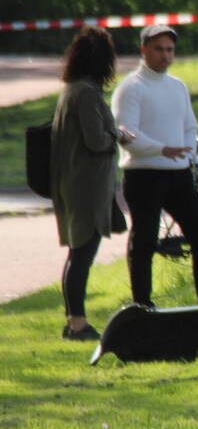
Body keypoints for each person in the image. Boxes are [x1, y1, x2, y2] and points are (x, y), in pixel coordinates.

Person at [112, 24, 198, 307]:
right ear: (143, 50)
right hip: (143, 175)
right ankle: (142, 304)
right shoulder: (131, 88)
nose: (165, 55)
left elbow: (190, 126)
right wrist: (162, 149)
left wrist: (186, 155)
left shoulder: (178, 87)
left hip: (179, 175)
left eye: (170, 50)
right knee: (145, 239)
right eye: (159, 49)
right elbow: (127, 135)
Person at [50, 27, 134, 340]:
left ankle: (74, 319)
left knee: (78, 252)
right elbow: (97, 140)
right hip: (86, 185)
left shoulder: (70, 89)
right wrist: (118, 135)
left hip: (73, 181)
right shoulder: (86, 93)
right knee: (83, 254)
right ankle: (77, 324)